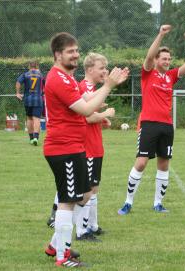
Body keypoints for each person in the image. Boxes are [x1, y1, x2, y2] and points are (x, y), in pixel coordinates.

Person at [42, 32, 128, 268]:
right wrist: (108, 85)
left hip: (73, 147)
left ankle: (55, 246)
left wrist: (106, 88)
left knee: (83, 195)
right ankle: (62, 256)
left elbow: (88, 101)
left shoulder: (67, 78)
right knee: (68, 201)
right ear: (57, 55)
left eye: (77, 50)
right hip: (63, 148)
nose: (76, 55)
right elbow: (86, 109)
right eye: (70, 51)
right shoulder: (58, 79)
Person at [117, 25, 185, 215]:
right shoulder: (148, 73)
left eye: (169, 59)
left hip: (167, 126)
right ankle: (128, 202)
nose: (168, 61)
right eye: (164, 58)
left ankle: (158, 203)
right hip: (148, 124)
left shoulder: (171, 77)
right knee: (142, 162)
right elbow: (149, 55)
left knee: (163, 164)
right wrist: (160, 35)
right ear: (156, 60)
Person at [75, 52, 115, 241]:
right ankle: (82, 231)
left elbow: (92, 117)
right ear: (90, 69)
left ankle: (93, 225)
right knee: (87, 191)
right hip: (88, 148)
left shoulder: (93, 88)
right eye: (102, 68)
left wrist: (102, 118)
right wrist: (105, 113)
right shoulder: (84, 86)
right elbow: (88, 117)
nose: (105, 72)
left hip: (96, 146)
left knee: (94, 188)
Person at [15, 60, 44, 145]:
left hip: (28, 99)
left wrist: (17, 93)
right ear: (37, 66)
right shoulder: (40, 75)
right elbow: (46, 83)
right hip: (38, 99)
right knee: (37, 119)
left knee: (29, 118)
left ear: (29, 66)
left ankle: (31, 138)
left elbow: (18, 82)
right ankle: (36, 137)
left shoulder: (25, 74)